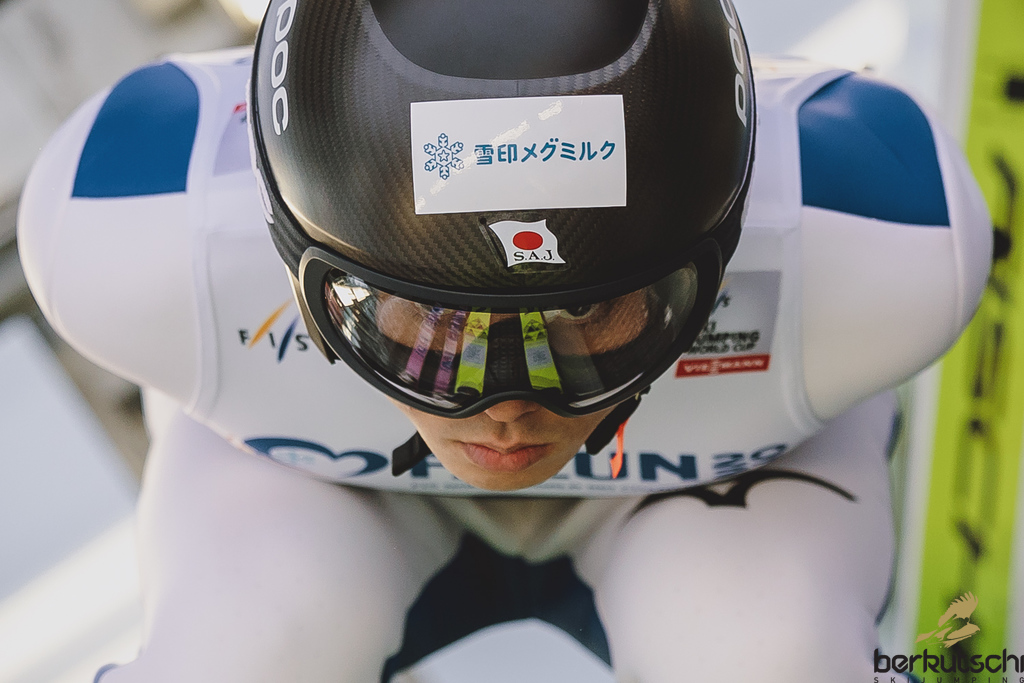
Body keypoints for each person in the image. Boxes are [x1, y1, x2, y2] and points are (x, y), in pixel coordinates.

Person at [17, 0, 992, 680]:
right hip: (711, 474)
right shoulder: (889, 247)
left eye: (580, 317)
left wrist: (414, 326)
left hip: (310, 474)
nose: (507, 412)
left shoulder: (122, 235)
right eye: (437, 322)